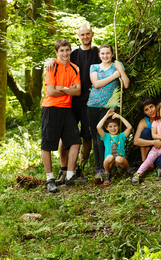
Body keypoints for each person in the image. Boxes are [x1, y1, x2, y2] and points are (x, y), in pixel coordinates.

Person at [46, 24, 100, 184]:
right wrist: (50, 59)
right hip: (70, 102)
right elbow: (59, 60)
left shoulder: (97, 53)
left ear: (92, 34)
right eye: (82, 34)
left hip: (90, 101)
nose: (85, 37)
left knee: (86, 136)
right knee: (65, 137)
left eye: (87, 34)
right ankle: (64, 169)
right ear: (79, 36)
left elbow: (108, 61)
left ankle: (79, 167)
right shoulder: (74, 53)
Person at [41, 39, 86, 193]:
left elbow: (78, 91)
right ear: (56, 52)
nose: (65, 53)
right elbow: (51, 92)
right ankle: (50, 179)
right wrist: (68, 89)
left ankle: (70, 176)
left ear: (70, 51)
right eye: (61, 51)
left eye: (67, 50)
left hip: (67, 108)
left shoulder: (75, 68)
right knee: (47, 145)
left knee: (75, 141)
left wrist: (61, 88)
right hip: (51, 108)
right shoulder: (52, 66)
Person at [87, 44, 130, 182]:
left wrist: (120, 70)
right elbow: (96, 84)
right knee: (96, 136)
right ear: (99, 55)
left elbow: (126, 84)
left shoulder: (117, 65)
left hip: (109, 106)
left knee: (108, 136)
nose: (105, 56)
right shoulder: (94, 67)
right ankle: (99, 167)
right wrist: (113, 76)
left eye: (108, 53)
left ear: (112, 54)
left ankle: (111, 165)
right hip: (93, 105)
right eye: (102, 53)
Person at [96, 108, 135, 185]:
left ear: (119, 126)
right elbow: (98, 127)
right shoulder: (106, 137)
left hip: (120, 164)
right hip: (110, 165)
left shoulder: (121, 136)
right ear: (106, 128)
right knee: (109, 157)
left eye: (115, 126)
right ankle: (107, 174)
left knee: (119, 158)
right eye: (110, 126)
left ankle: (129, 170)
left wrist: (120, 117)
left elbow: (129, 127)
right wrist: (106, 116)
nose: (113, 128)